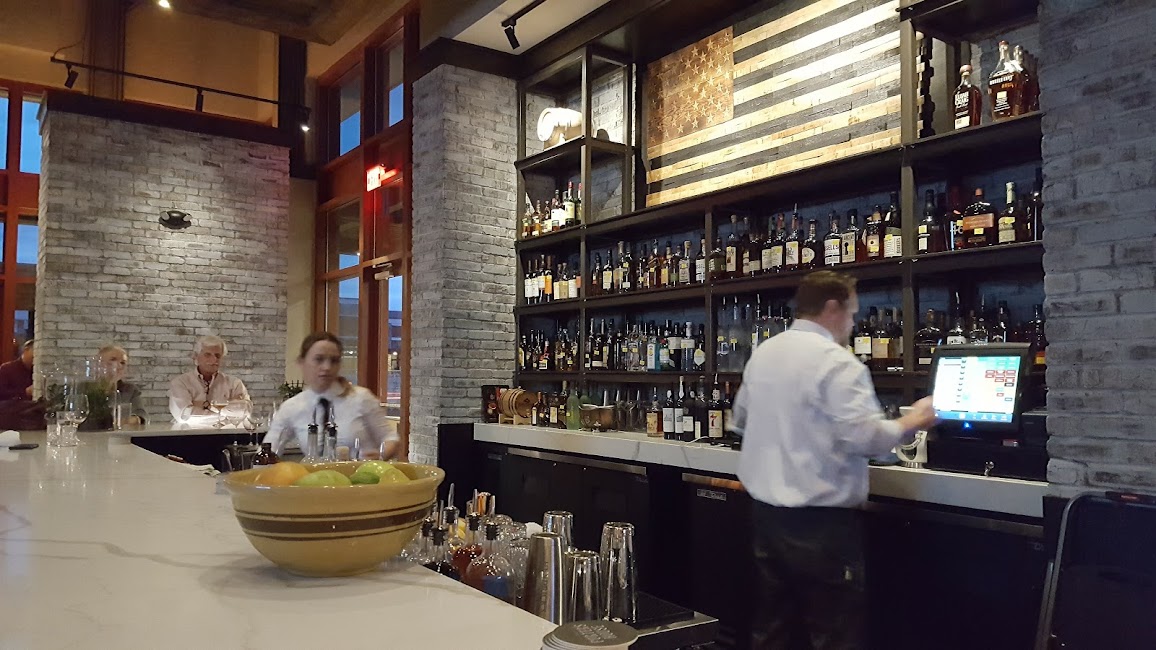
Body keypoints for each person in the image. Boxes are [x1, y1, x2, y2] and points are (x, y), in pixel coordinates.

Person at [730, 271, 937, 650]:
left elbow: (740, 420)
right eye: (852, 313)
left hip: (766, 521)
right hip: (821, 530)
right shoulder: (838, 363)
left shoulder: (765, 354)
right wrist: (915, 421)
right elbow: (866, 438)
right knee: (834, 636)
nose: (853, 324)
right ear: (832, 308)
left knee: (773, 632)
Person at [264, 332, 400, 460]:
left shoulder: (361, 398)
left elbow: (390, 437)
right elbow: (269, 448)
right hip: (318, 476)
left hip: (360, 475)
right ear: (301, 362)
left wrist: (380, 454)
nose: (327, 367)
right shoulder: (292, 407)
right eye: (319, 359)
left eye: (334, 361)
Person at [168, 335, 249, 421]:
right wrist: (224, 411)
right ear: (196, 356)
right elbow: (185, 415)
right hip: (190, 430)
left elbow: (245, 411)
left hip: (227, 430)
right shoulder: (181, 383)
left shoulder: (234, 384)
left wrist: (206, 406)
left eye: (218, 355)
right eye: (207, 355)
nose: (214, 360)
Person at [98, 345, 148, 425]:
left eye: (123, 363)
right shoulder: (85, 388)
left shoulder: (131, 390)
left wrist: (130, 420)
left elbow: (142, 416)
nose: (119, 366)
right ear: (99, 364)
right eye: (113, 360)